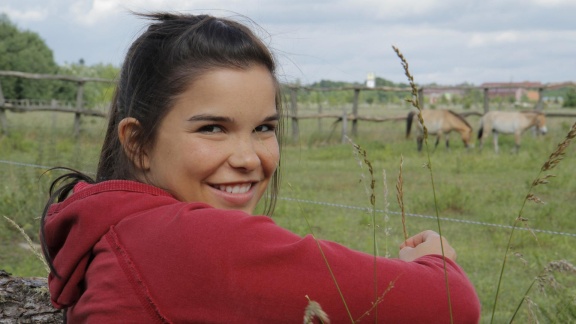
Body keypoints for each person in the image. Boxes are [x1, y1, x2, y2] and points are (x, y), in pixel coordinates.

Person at [40, 12, 481, 323]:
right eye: (213, 128)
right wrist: (435, 261)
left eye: (264, 128)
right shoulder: (191, 242)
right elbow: (451, 305)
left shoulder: (113, 227)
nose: (249, 158)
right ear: (138, 144)